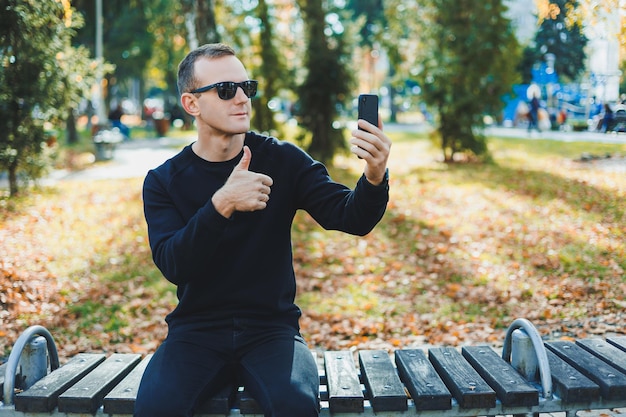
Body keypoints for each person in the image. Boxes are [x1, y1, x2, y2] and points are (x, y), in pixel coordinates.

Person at [134, 43, 391, 417]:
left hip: (272, 331)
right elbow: (174, 264)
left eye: (246, 87)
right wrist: (222, 203)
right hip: (196, 331)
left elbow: (352, 217)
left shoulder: (282, 159)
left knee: (295, 407)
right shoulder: (163, 181)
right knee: (156, 408)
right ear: (192, 104)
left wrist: (374, 174)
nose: (241, 99)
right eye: (225, 90)